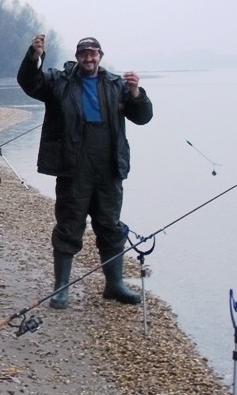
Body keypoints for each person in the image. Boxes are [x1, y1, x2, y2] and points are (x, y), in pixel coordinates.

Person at [17, 34, 153, 308]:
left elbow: (143, 117)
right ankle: (61, 289)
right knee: (69, 226)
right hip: (73, 168)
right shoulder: (59, 81)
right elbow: (30, 83)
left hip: (109, 168)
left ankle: (114, 285)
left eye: (93, 54)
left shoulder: (117, 84)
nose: (89, 59)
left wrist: (137, 94)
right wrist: (34, 56)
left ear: (100, 56)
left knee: (110, 226)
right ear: (77, 57)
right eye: (84, 54)